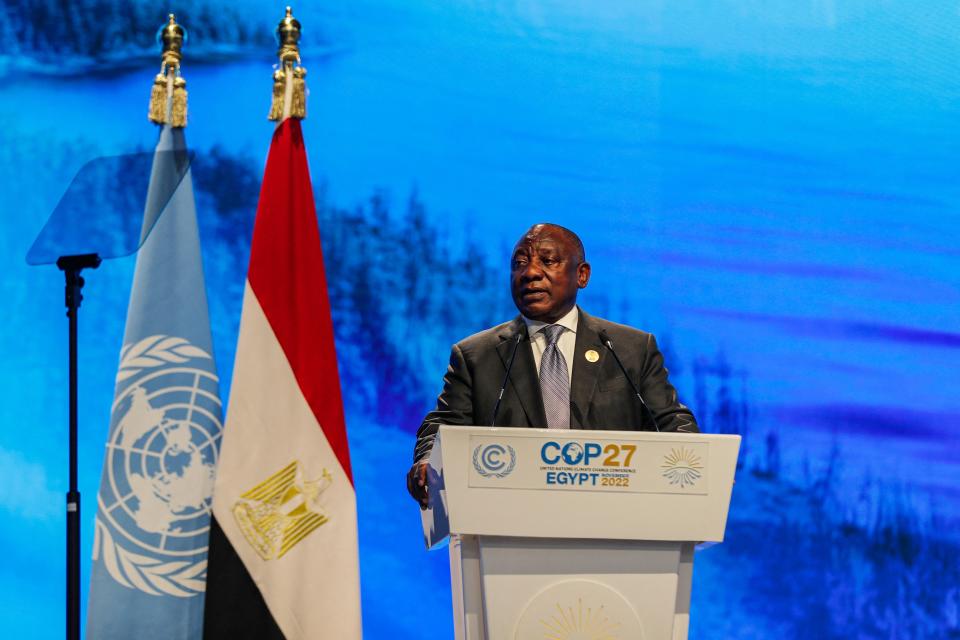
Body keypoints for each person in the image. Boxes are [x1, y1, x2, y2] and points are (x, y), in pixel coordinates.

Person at [406, 223, 698, 507]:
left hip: (615, 516)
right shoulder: (476, 355)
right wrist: (427, 460)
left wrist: (699, 464)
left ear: (581, 275)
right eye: (519, 263)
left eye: (548, 261)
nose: (530, 273)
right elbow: (444, 425)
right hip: (509, 522)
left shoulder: (629, 349)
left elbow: (670, 421)